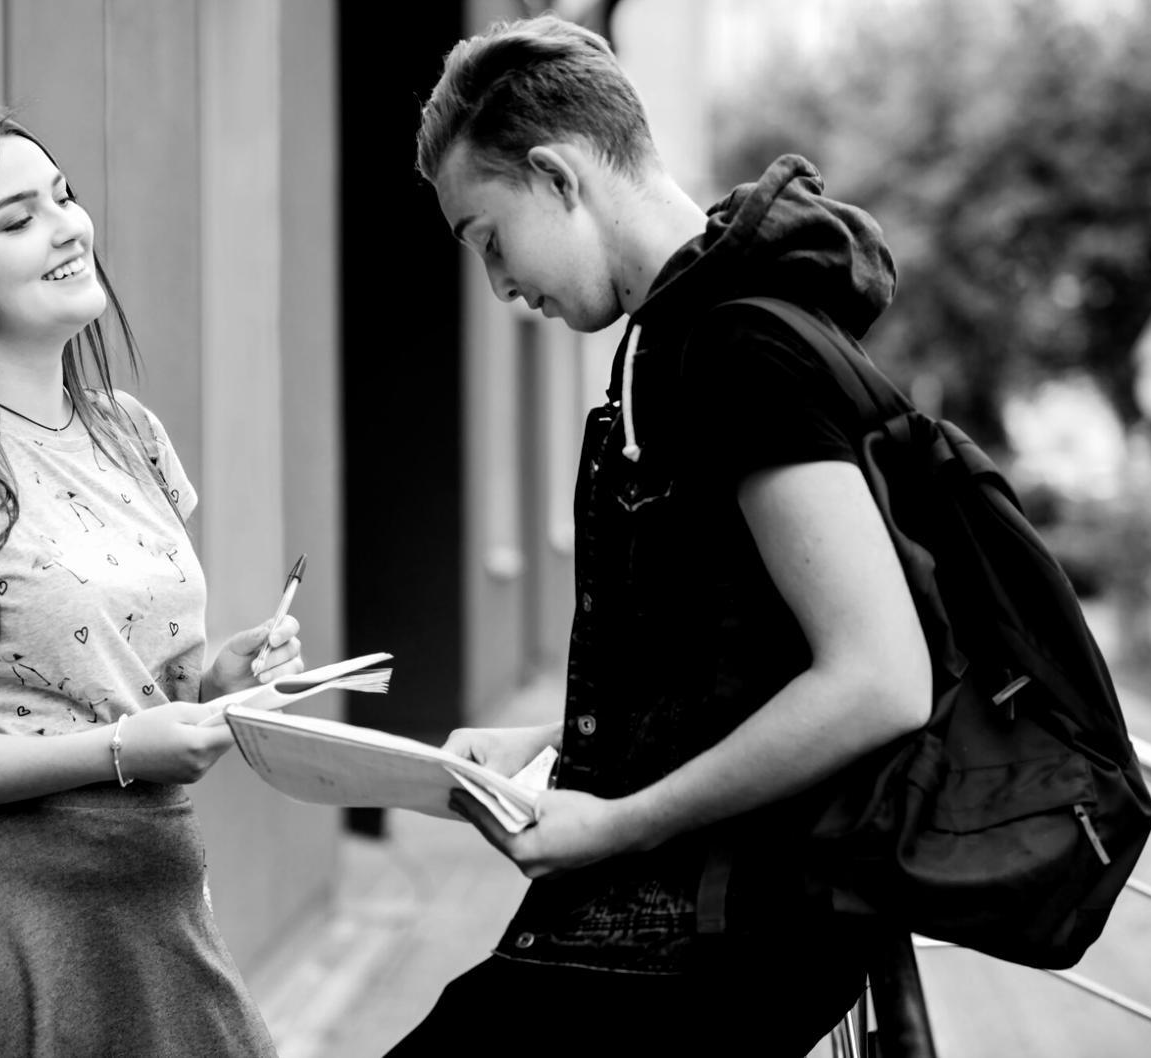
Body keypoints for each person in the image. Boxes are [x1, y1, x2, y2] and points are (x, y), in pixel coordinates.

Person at [391, 14, 933, 1057]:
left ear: (558, 175)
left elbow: (878, 675)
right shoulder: (673, 337)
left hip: (722, 923)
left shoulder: (738, 347)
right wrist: (553, 743)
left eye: (489, 240)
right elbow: (728, 654)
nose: (501, 287)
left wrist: (615, 819)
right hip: (677, 914)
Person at [0, 106, 299, 1057]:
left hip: (153, 902)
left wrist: (217, 689)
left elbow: (103, 687)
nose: (67, 225)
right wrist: (122, 747)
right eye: (16, 218)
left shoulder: (129, 433)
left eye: (63, 196)